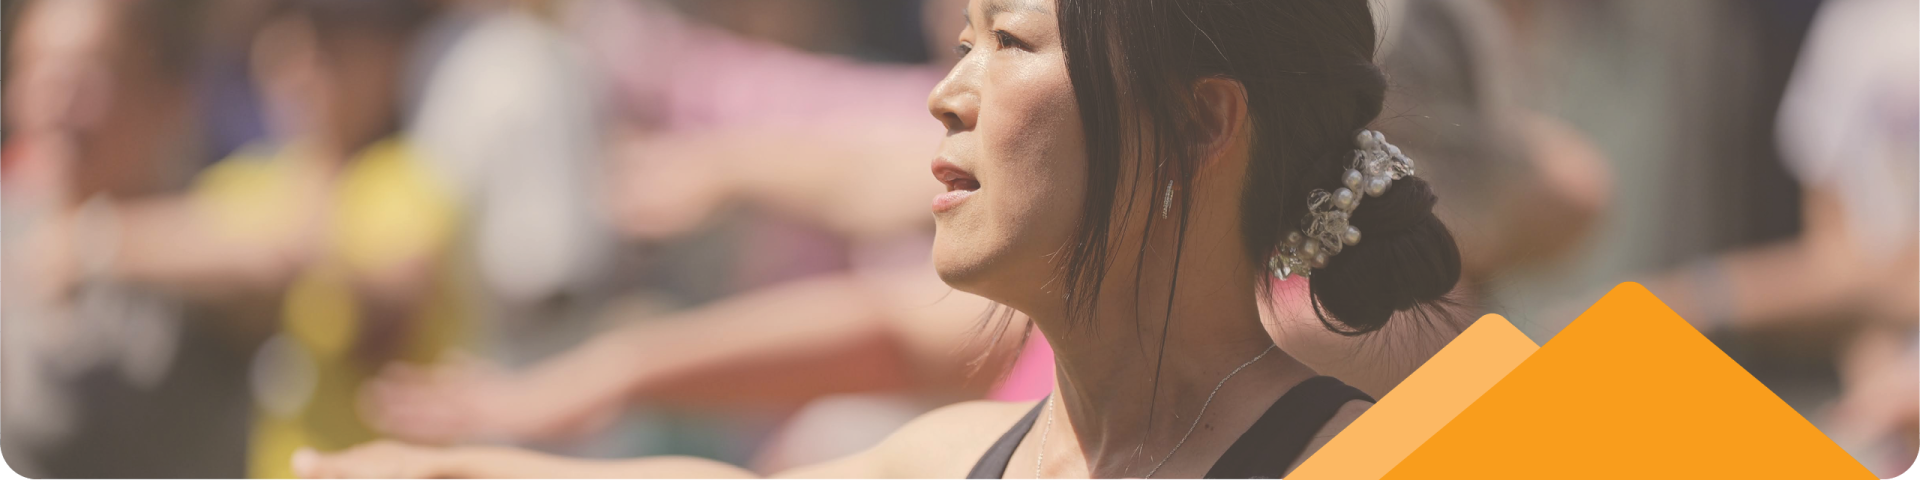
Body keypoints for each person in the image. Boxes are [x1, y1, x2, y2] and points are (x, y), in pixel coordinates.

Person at [298, 0, 1466, 477]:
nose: (946, 93)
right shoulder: (970, 452)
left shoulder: (1357, 463)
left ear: (1202, 121)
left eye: (1007, 42)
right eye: (959, 41)